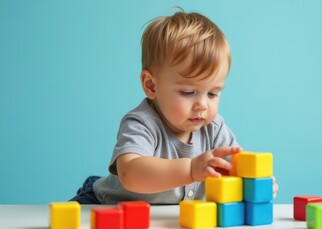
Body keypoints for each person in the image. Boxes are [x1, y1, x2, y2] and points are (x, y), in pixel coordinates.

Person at [70, 9, 279, 204]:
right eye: (188, 92)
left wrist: (255, 182)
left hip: (166, 220)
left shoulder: (214, 128)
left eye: (213, 93)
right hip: (106, 204)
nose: (202, 105)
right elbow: (130, 174)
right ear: (151, 85)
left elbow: (235, 168)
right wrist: (190, 168)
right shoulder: (142, 123)